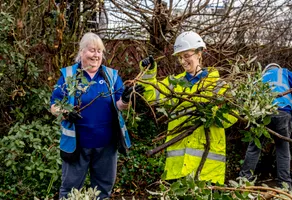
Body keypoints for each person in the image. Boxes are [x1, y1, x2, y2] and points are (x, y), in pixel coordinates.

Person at [50, 32, 144, 199]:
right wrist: (65, 112)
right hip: (77, 145)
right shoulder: (69, 76)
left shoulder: (111, 76)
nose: (96, 55)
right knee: (70, 191)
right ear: (81, 52)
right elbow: (54, 106)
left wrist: (126, 99)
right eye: (92, 50)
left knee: (102, 192)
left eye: (99, 51)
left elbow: (119, 105)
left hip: (106, 145)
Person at [139, 31, 238, 184]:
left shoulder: (218, 86)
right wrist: (148, 73)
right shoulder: (173, 84)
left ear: (200, 53)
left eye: (186, 55)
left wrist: (211, 112)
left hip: (206, 168)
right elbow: (151, 97)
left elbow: (231, 117)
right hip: (177, 167)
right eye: (179, 57)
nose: (182, 61)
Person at [239, 63, 292, 189]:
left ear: (265, 70)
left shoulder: (259, 78)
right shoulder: (283, 72)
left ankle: (243, 182)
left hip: (262, 113)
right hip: (283, 111)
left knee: (254, 148)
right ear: (277, 68)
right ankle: (284, 187)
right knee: (283, 149)